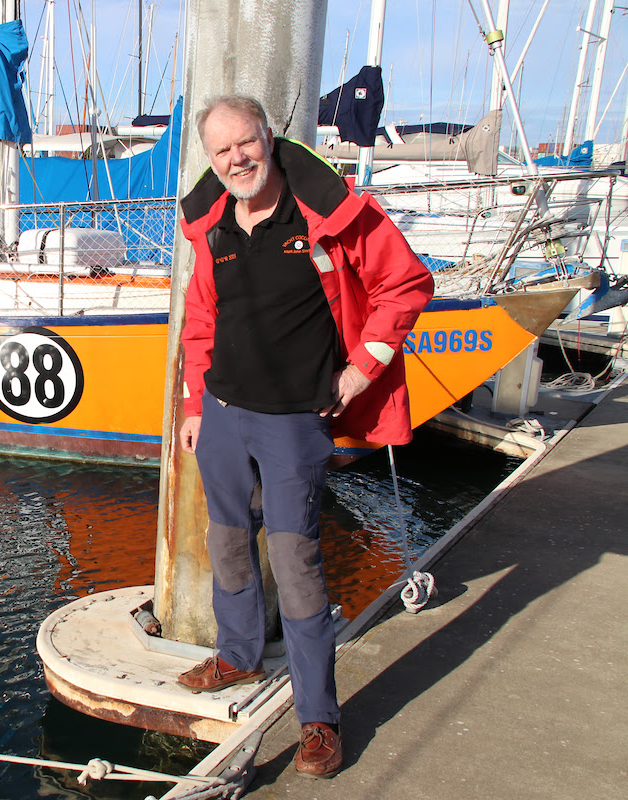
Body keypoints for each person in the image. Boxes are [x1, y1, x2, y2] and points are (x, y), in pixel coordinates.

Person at [175, 95, 433, 779]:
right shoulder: (213, 228)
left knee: (297, 568)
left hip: (295, 424)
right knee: (227, 544)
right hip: (224, 415)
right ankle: (237, 655)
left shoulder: (325, 214)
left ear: (268, 137)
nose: (237, 160)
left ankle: (319, 717)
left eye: (246, 143)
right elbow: (200, 321)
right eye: (222, 150)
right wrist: (195, 405)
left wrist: (360, 371)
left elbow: (405, 284)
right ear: (211, 158)